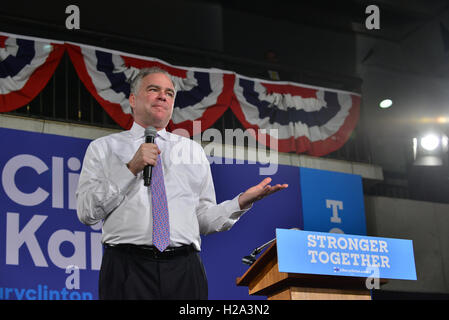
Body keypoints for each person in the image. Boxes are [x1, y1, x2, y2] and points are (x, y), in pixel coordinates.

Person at [76, 67, 288, 300]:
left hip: (185, 269)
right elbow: (87, 213)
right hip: (127, 268)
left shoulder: (192, 151)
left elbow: (203, 220)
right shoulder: (103, 148)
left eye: (169, 93)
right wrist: (131, 168)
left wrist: (240, 202)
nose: (162, 96)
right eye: (153, 89)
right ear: (133, 100)